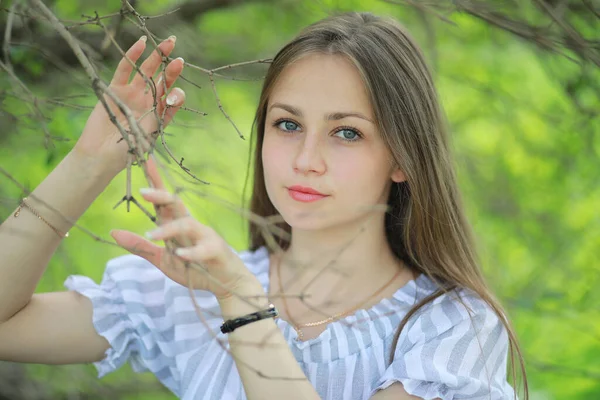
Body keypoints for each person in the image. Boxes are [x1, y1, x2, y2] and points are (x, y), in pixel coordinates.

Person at [0, 10, 527, 400]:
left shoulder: (452, 327)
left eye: (346, 132)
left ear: (403, 157)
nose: (306, 159)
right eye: (288, 125)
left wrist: (245, 306)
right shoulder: (197, 293)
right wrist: (92, 159)